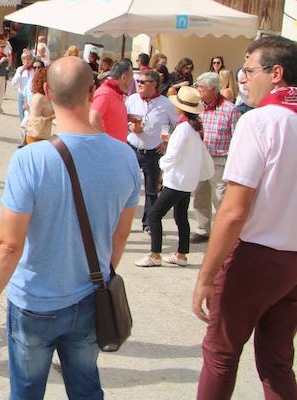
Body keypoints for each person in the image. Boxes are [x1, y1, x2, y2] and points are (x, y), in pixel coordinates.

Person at [0, 57, 140, 398]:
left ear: (47, 92)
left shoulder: (30, 159)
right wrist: (99, 274)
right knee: (85, 387)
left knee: (27, 391)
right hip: (92, 293)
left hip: (35, 300)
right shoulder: (125, 157)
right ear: (93, 92)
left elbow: (8, 245)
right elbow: (120, 235)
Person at [192, 35, 297, 400]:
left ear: (276, 73)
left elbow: (235, 210)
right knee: (277, 361)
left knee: (220, 354)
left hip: (254, 256)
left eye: (249, 70)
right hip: (292, 261)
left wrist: (206, 274)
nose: (242, 79)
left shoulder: (260, 121)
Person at [136, 86, 213, 268]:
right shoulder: (193, 128)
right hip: (187, 181)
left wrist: (162, 166)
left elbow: (173, 156)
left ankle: (155, 254)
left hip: (176, 181)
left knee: (154, 215)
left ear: (180, 108)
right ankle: (181, 254)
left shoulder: (183, 128)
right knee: (181, 217)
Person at [125, 68, 179, 233]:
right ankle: (122, 220)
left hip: (153, 153)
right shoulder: (132, 99)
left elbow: (176, 125)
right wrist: (130, 126)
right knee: (126, 187)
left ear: (154, 84)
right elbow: (123, 119)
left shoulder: (167, 104)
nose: (138, 84)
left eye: (142, 82)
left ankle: (148, 222)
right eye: (137, 81)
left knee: (151, 191)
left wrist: (167, 143)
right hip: (132, 149)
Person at [190, 71, 240, 244]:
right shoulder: (196, 106)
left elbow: (237, 138)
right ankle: (202, 229)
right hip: (200, 158)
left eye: (200, 87)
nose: (197, 90)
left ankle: (223, 232)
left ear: (213, 89)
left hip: (220, 159)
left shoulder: (230, 109)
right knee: (200, 195)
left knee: (221, 197)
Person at [89, 59, 133, 142]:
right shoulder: (105, 93)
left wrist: (125, 117)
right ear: (124, 77)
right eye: (131, 77)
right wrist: (108, 142)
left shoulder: (115, 92)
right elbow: (93, 120)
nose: (132, 82)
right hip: (108, 151)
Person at [24, 62, 54, 144]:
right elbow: (35, 120)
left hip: (45, 136)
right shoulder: (38, 98)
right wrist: (51, 117)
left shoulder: (48, 97)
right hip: (35, 137)